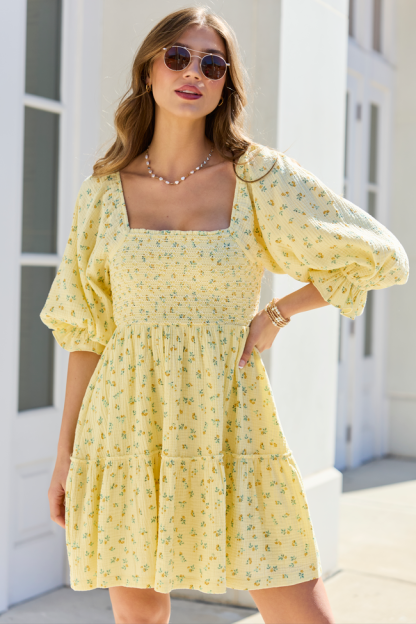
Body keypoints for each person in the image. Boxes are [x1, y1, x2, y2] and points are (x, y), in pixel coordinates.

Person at [39, 6, 409, 624]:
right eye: (178, 57)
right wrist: (65, 457)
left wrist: (278, 313)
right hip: (126, 423)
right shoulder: (102, 190)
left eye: (213, 65)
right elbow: (87, 331)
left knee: (302, 611)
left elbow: (380, 256)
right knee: (139, 615)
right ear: (149, 70)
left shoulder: (258, 176)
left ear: (225, 85)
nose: (194, 73)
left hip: (232, 421)